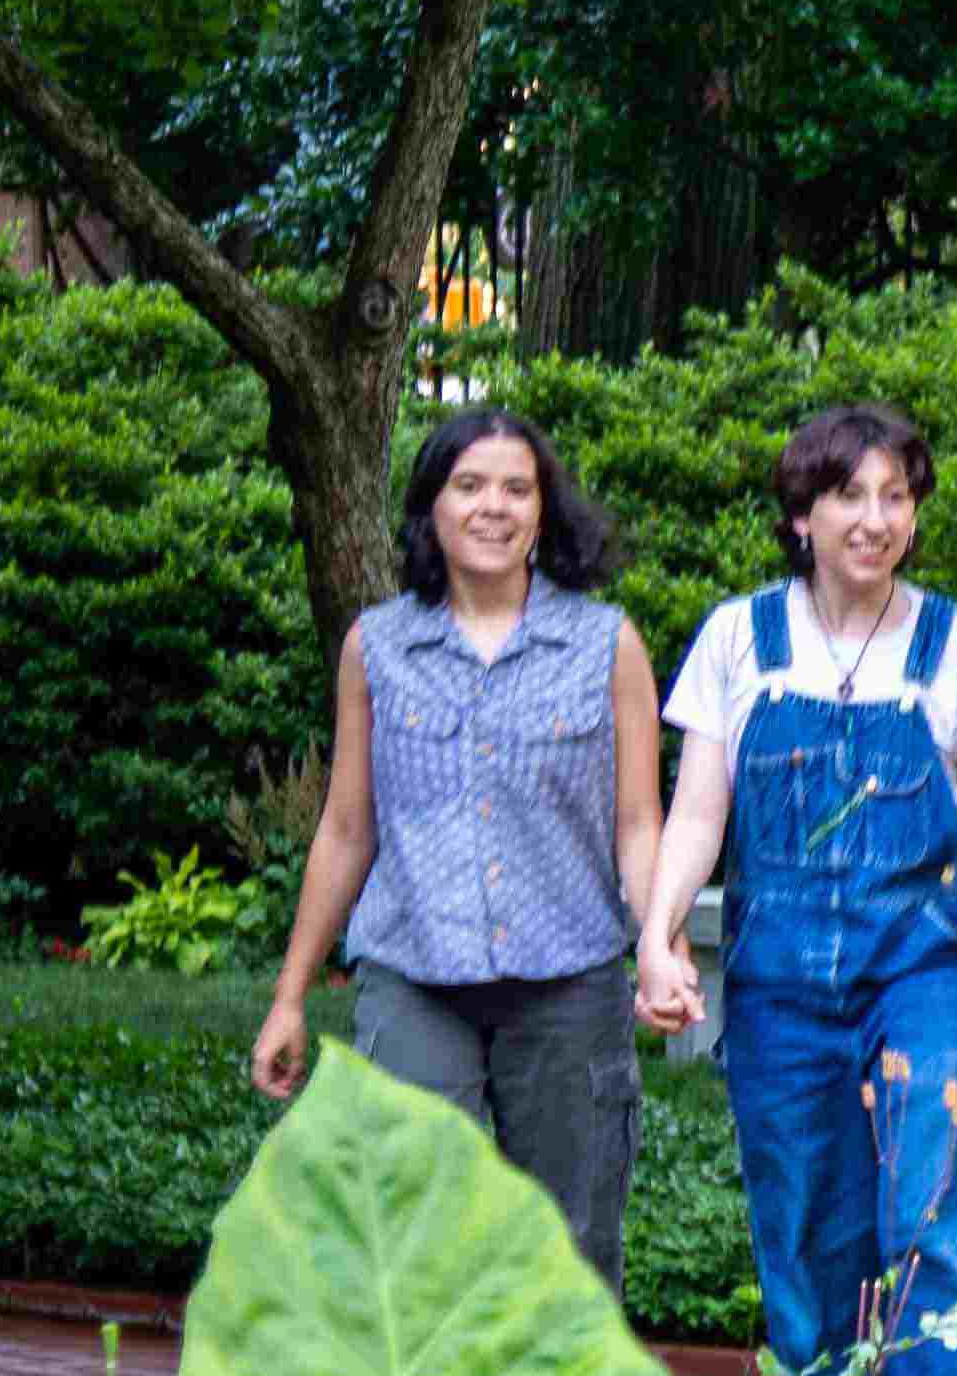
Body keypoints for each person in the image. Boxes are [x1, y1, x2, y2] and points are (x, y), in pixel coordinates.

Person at [629, 401, 957, 1376]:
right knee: (806, 1239)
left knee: (929, 1223)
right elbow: (696, 812)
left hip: (929, 971)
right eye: (850, 497)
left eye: (897, 497)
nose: (876, 521)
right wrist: (660, 930)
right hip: (782, 985)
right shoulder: (740, 641)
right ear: (802, 515)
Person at [255, 408, 663, 1281]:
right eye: (469, 485)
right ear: (431, 509)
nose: (493, 507)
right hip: (415, 976)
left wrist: (658, 946)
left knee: (567, 1257)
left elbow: (638, 824)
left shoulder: (607, 645)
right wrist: (291, 996)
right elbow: (346, 827)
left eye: (517, 488)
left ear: (544, 512)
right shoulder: (378, 647)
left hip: (569, 981)